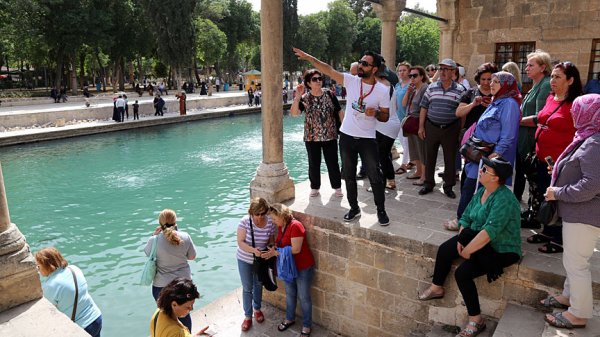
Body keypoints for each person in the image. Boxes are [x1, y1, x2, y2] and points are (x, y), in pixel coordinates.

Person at [418, 157, 521, 337]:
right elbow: (466, 217)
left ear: (496, 178)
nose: (480, 171)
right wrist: (461, 239)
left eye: (485, 170)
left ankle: (476, 320)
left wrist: (468, 249)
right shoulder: (482, 191)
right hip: (476, 236)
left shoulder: (505, 199)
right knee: (444, 250)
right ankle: (437, 287)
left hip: (500, 248)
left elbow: (490, 231)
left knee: (462, 273)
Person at [293, 47, 391, 225]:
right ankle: (354, 208)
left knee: (375, 176)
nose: (360, 65)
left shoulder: (382, 91)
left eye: (364, 64)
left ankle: (381, 210)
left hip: (367, 139)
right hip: (346, 137)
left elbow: (385, 116)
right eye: (360, 62)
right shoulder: (352, 81)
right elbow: (328, 70)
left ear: (374, 69)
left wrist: (375, 113)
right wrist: (309, 57)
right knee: (349, 175)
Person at [541, 94, 600, 330]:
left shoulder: (595, 143)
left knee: (577, 264)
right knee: (573, 260)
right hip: (579, 213)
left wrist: (559, 191)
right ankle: (568, 297)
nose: (574, 115)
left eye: (577, 110)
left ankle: (578, 313)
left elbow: (592, 184)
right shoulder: (589, 137)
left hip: (584, 215)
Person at [520, 62, 583, 252]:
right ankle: (547, 230)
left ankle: (559, 239)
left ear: (570, 80)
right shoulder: (551, 97)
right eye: (553, 76)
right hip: (542, 159)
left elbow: (583, 133)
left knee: (559, 199)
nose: (552, 80)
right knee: (544, 195)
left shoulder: (577, 104)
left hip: (562, 163)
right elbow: (541, 118)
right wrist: (518, 119)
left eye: (558, 77)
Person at [451, 71, 521, 234]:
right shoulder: (497, 101)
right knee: (469, 185)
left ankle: (466, 224)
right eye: (491, 81)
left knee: (472, 187)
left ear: (505, 85)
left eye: (496, 81)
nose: (491, 84)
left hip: (488, 158)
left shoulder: (509, 104)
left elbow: (508, 134)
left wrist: (495, 155)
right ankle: (466, 222)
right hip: (478, 155)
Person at [444, 63, 499, 230]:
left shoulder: (500, 96)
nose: (486, 82)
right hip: (471, 146)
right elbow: (459, 113)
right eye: (483, 79)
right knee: (467, 179)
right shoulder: (470, 93)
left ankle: (473, 218)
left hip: (490, 147)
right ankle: (464, 216)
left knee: (481, 184)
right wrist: (473, 104)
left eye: (490, 79)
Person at [263, 203, 315, 337]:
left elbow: (296, 249)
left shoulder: (295, 226)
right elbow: (284, 244)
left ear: (281, 216)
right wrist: (274, 247)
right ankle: (290, 318)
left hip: (303, 267)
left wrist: (276, 253)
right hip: (289, 267)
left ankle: (307, 325)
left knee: (304, 297)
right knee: (290, 294)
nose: (273, 222)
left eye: (274, 219)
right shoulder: (282, 226)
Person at [418, 58, 467, 199]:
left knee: (450, 158)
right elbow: (424, 107)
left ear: (453, 72)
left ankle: (448, 186)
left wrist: (460, 129)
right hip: (431, 126)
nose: (443, 72)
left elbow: (462, 112)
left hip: (451, 128)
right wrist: (421, 127)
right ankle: (428, 183)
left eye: (446, 69)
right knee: (430, 156)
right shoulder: (431, 87)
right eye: (441, 69)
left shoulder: (461, 90)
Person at [290, 69, 343, 198]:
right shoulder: (305, 98)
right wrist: (297, 97)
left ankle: (337, 187)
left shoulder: (330, 94)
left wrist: (343, 128)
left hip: (330, 135)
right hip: (311, 137)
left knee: (333, 162)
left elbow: (340, 111)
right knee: (314, 163)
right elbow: (294, 113)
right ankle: (314, 187)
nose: (318, 81)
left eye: (320, 78)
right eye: (314, 79)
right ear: (308, 83)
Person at [145, 209, 197, 332]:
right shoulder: (185, 236)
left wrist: (154, 235)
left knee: (166, 317)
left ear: (160, 224)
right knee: (185, 314)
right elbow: (192, 257)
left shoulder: (155, 240)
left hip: (161, 287)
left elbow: (148, 253)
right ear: (175, 222)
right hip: (183, 285)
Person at [35, 247, 103, 337]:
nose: (37, 269)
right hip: (96, 317)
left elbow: (49, 311)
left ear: (48, 265)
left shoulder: (50, 285)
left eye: (39, 266)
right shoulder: (74, 269)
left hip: (82, 327)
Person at [515, 50, 552, 203]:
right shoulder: (535, 85)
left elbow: (540, 118)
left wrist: (515, 120)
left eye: (531, 65)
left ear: (543, 67)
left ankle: (535, 214)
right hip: (524, 139)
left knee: (535, 180)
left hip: (532, 142)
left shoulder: (545, 85)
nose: (526, 68)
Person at [236, 197, 275, 331]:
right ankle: (247, 316)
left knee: (258, 284)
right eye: (256, 214)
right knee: (247, 287)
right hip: (245, 259)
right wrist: (254, 250)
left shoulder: (269, 222)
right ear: (251, 213)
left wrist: (270, 248)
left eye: (262, 214)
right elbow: (240, 242)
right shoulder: (245, 222)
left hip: (261, 260)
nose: (259, 217)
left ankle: (257, 309)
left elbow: (271, 240)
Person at [374, 65, 402, 190]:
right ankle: (390, 181)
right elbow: (395, 107)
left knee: (380, 156)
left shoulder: (379, 88)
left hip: (383, 125)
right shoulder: (390, 86)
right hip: (393, 124)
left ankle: (385, 181)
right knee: (385, 155)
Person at [402, 66, 430, 186]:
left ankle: (424, 176)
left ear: (422, 76)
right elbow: (404, 104)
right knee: (414, 149)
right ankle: (418, 171)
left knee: (421, 149)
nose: (412, 78)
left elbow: (425, 108)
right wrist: (408, 91)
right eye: (410, 76)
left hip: (420, 122)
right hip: (412, 122)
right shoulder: (414, 89)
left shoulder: (425, 89)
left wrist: (421, 126)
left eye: (415, 75)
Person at [394, 61, 414, 175]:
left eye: (404, 70)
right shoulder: (398, 85)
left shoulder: (411, 85)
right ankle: (411, 160)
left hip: (407, 117)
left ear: (409, 72)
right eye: (400, 70)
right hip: (397, 117)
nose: (401, 72)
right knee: (402, 141)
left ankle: (404, 164)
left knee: (405, 142)